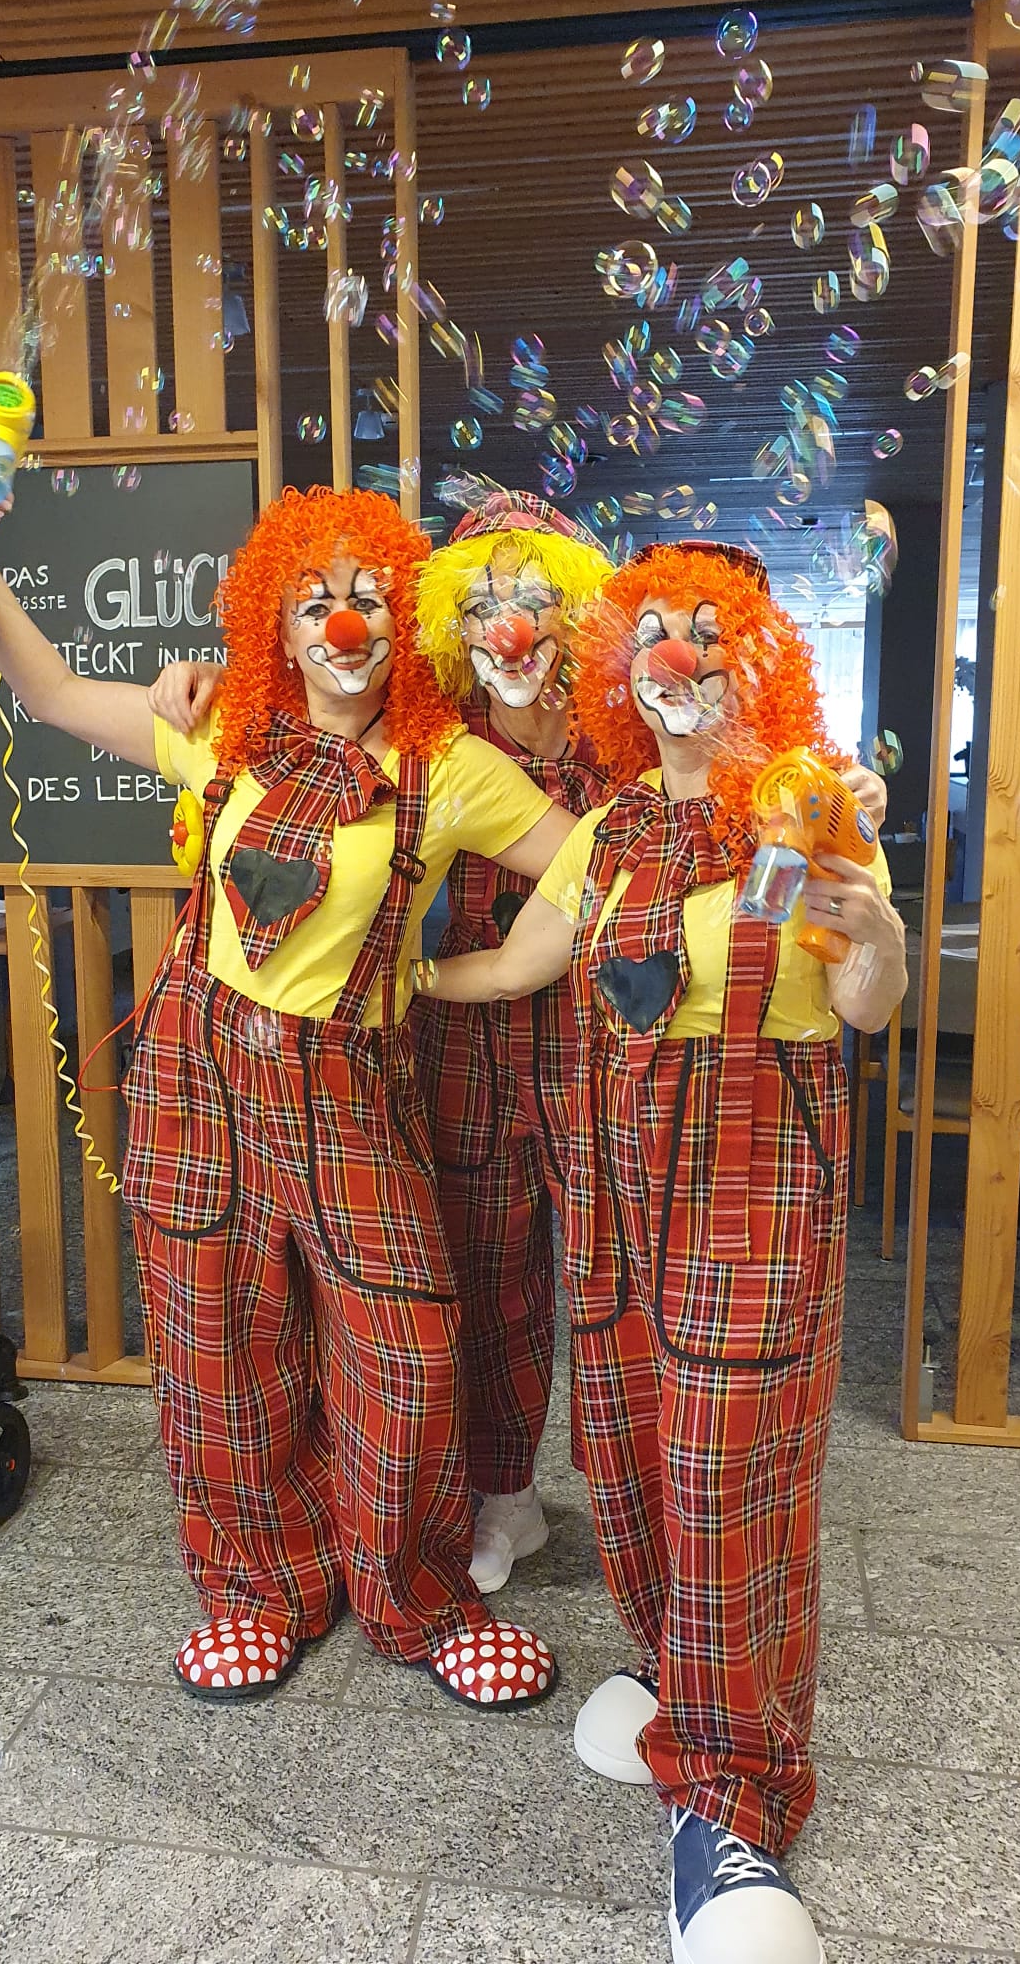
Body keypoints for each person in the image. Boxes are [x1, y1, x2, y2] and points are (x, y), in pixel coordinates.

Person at [0, 463, 576, 1709]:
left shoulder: (449, 767)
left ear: (404, 620)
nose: (344, 624)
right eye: (312, 602)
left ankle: (414, 1596)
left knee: (406, 1352)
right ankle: (260, 1591)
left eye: (369, 598)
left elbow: (597, 870)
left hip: (354, 1086)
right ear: (275, 629)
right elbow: (52, 690)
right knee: (221, 1348)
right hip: (203, 1074)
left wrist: (496, 970)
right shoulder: (222, 729)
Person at [411, 541, 907, 1964]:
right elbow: (523, 964)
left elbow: (866, 1005)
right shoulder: (613, 827)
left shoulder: (804, 811)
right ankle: (676, 1668)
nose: (673, 658)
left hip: (756, 1174)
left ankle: (736, 1802)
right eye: (650, 636)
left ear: (754, 664)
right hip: (616, 1175)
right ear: (621, 673)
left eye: (705, 633)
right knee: (628, 1447)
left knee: (731, 1474)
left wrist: (875, 928)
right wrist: (389, 985)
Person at [410, 491, 613, 1590]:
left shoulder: (636, 730)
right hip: (465, 1044)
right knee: (489, 1281)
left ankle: (643, 1508)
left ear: (577, 611)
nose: (512, 627)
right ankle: (505, 1499)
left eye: (536, 599)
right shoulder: (431, 735)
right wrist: (195, 677)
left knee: (621, 1275)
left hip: (605, 1044)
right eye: (485, 604)